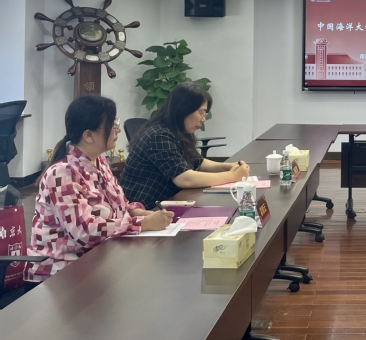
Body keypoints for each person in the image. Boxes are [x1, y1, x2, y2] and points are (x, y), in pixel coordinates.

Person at [25, 95, 173, 283]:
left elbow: (118, 205)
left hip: (98, 260)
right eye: (112, 124)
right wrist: (141, 224)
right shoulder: (62, 174)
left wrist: (135, 211)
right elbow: (84, 232)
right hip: (59, 272)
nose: (118, 129)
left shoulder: (99, 161)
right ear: (88, 135)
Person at [120, 83, 250, 209]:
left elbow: (198, 162)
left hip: (168, 202)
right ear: (184, 109)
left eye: (204, 114)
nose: (203, 119)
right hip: (145, 209)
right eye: (201, 113)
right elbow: (185, 179)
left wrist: (229, 166)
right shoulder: (159, 135)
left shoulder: (177, 131)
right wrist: (232, 176)